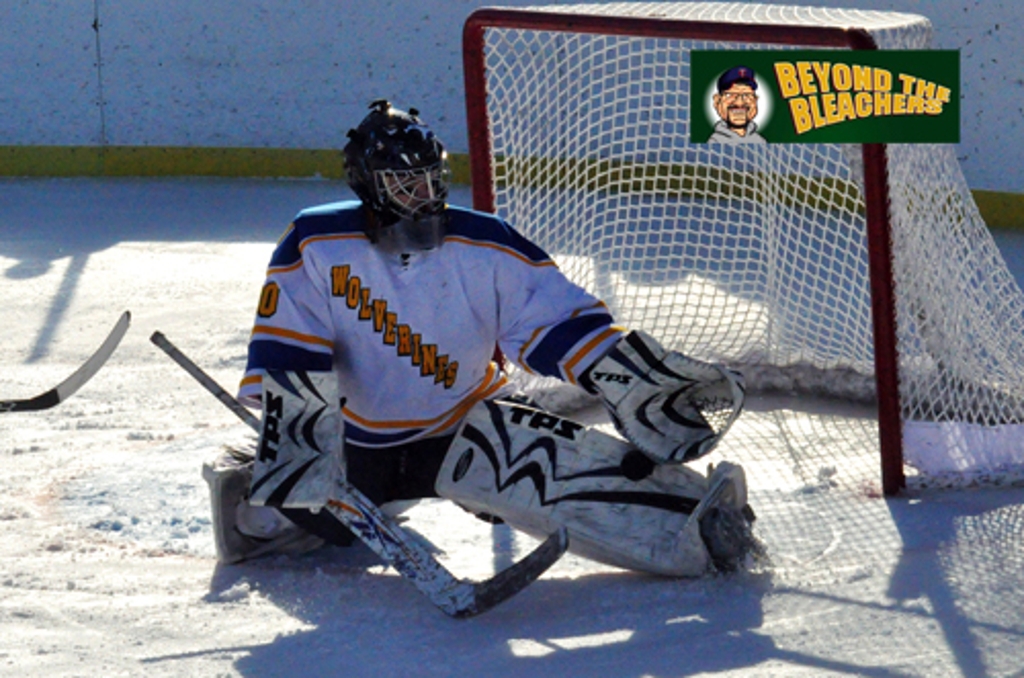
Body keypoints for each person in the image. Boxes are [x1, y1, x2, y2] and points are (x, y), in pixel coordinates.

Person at [203, 99, 757, 576]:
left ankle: (694, 522)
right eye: (405, 184)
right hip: (357, 442)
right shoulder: (316, 241)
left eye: (431, 178)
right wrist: (299, 459)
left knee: (551, 470)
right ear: (369, 186)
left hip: (462, 421)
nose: (424, 195)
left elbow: (555, 320)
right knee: (308, 515)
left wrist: (623, 372)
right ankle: (252, 506)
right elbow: (290, 350)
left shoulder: (485, 244)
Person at [707, 66, 768, 144]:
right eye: (730, 95)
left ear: (755, 100)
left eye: (747, 95)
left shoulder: (761, 141)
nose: (739, 103)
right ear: (717, 101)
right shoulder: (714, 142)